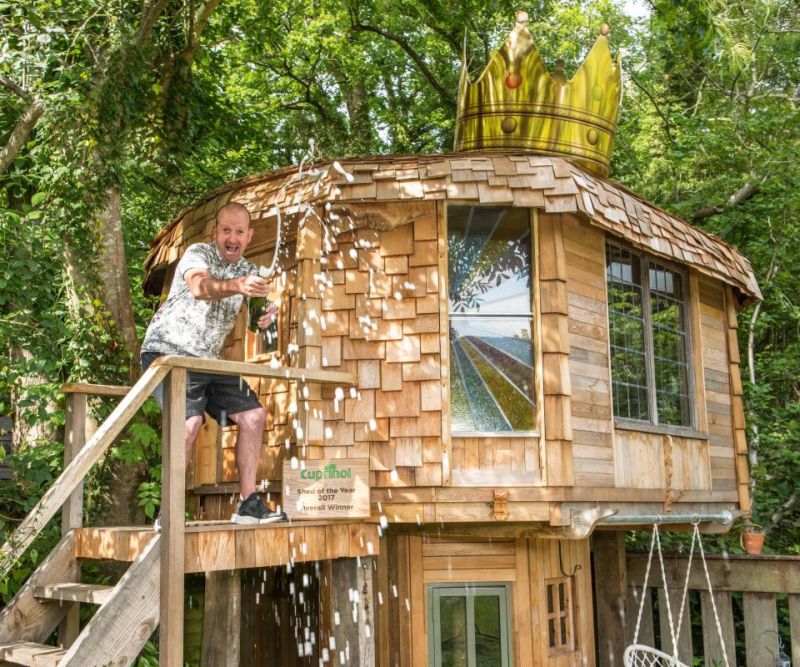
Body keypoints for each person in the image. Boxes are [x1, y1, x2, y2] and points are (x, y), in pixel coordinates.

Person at [141, 201, 285, 525]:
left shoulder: (249, 271)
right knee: (189, 424)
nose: (231, 238)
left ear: (248, 236)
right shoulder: (198, 254)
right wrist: (237, 286)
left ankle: (248, 504)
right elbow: (199, 287)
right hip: (168, 352)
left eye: (238, 232)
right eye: (225, 231)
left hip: (208, 360)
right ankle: (169, 513)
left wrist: (265, 318)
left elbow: (254, 323)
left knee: (253, 415)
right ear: (215, 232)